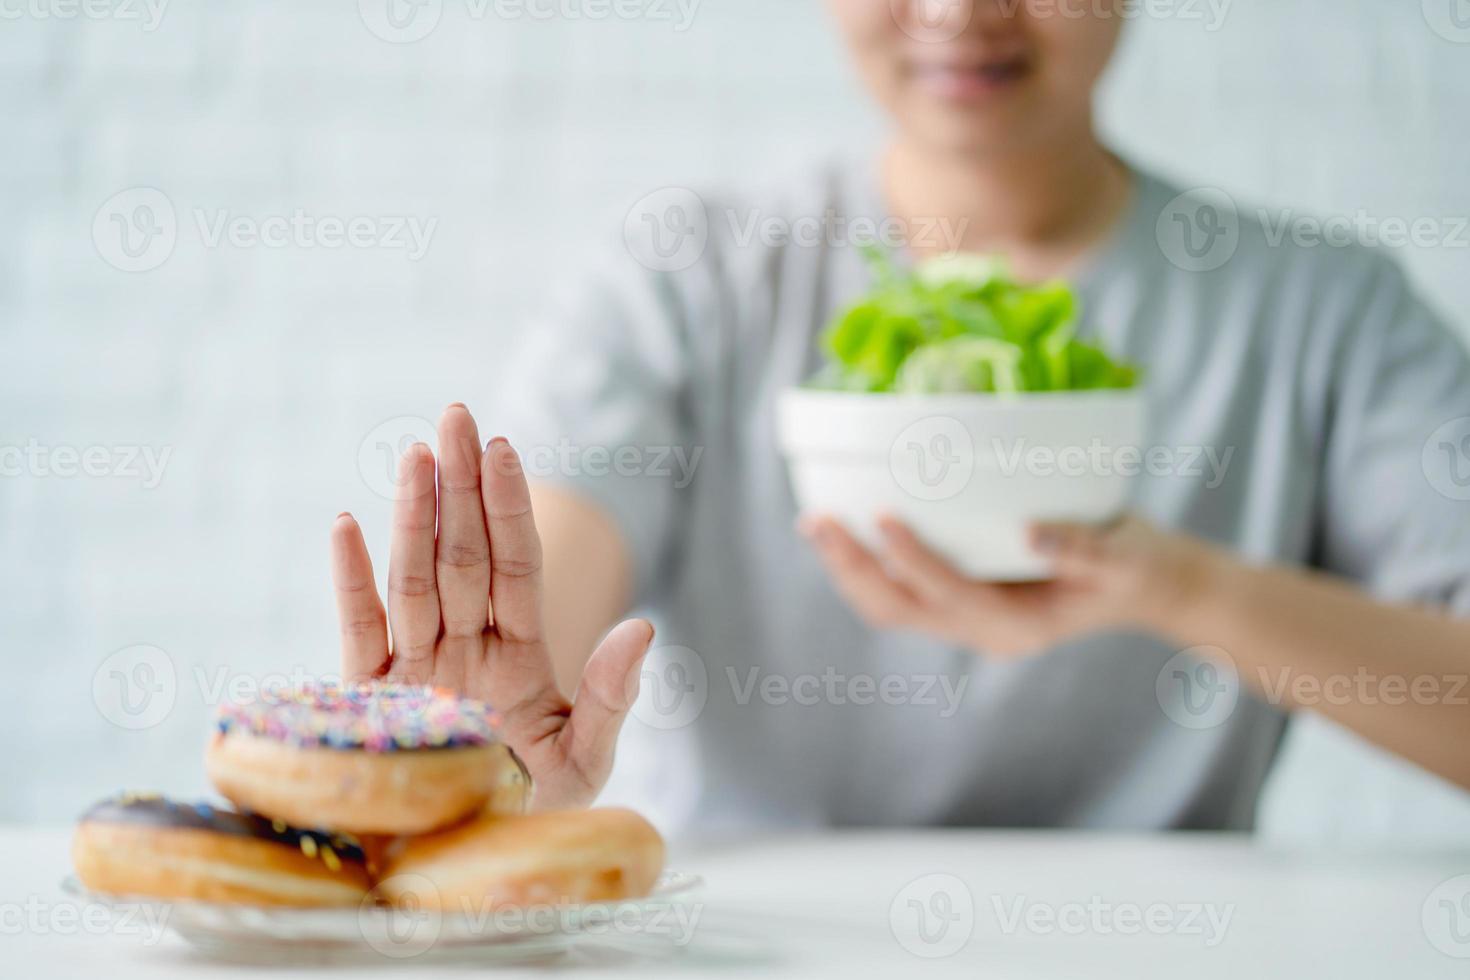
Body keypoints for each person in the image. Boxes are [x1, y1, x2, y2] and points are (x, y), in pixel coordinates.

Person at [327, 2, 1470, 834]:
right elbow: (546, 613)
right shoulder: (691, 278)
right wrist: (483, 750)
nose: (961, 13)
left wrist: (1176, 584)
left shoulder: (1326, 311)